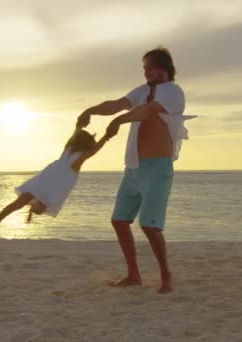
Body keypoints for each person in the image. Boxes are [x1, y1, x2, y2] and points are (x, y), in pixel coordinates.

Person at [78, 46, 195, 294]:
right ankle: (133, 275)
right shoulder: (142, 91)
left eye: (149, 68)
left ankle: (166, 276)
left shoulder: (173, 92)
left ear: (162, 67)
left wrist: (119, 120)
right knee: (119, 221)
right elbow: (118, 104)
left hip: (157, 168)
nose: (145, 73)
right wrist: (91, 110)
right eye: (144, 69)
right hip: (133, 167)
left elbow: (147, 112)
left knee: (150, 226)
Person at [0, 122, 110, 229]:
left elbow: (89, 145)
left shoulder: (74, 154)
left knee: (35, 206)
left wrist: (99, 134)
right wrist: (104, 136)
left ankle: (26, 210)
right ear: (86, 143)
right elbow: (92, 146)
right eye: (92, 140)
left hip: (55, 184)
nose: (94, 142)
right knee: (21, 201)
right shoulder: (71, 151)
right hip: (47, 179)